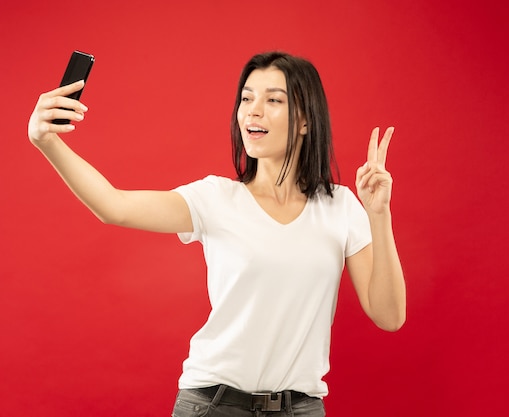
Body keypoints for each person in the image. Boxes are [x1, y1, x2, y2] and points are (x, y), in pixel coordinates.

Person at [28, 51, 406, 417]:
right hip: (213, 406)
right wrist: (47, 141)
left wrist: (379, 215)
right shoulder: (216, 198)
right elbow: (114, 206)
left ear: (306, 120)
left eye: (273, 100)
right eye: (246, 98)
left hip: (301, 408)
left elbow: (389, 316)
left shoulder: (340, 206)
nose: (253, 111)